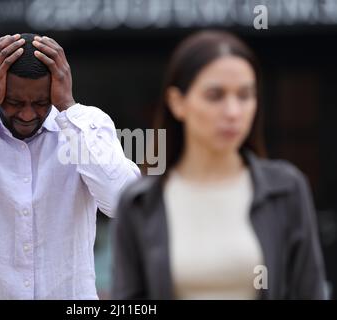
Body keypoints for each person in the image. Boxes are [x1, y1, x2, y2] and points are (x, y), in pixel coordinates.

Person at [0, 33, 140, 299]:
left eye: (41, 103)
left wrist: (68, 108)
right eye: (15, 103)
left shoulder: (88, 126)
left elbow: (121, 202)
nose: (28, 114)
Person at [111, 30, 327, 299]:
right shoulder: (140, 202)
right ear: (178, 103)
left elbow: (309, 291)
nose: (233, 112)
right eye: (215, 95)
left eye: (245, 95)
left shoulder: (285, 190)